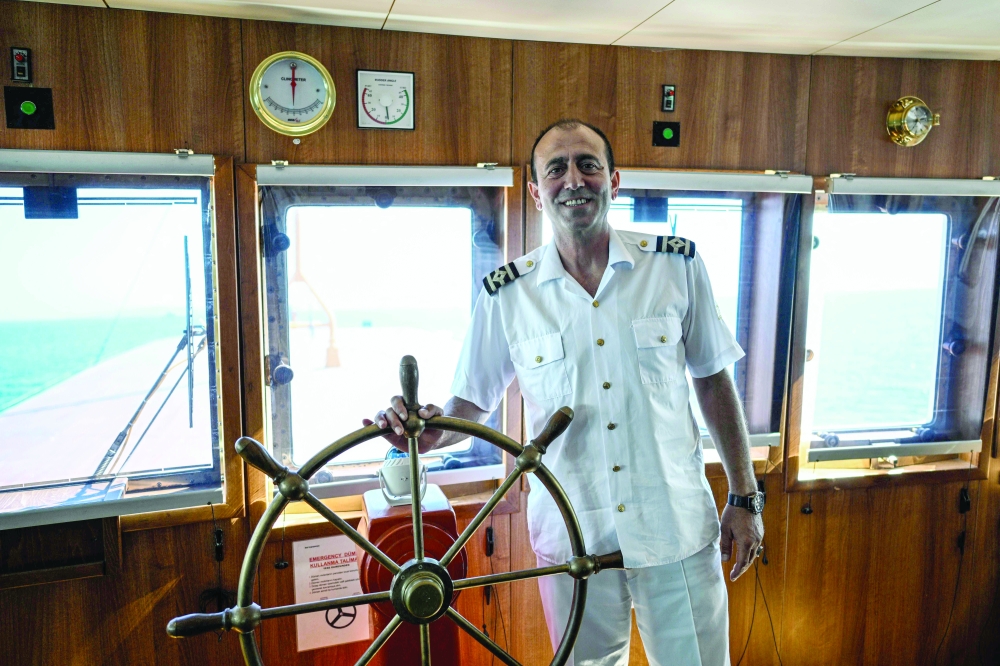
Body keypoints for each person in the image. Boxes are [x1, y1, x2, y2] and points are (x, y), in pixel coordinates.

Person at [366, 118, 764, 666]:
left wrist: (745, 496)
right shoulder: (506, 293)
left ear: (614, 180)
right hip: (572, 534)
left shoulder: (676, 264)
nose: (573, 179)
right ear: (535, 191)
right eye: (556, 169)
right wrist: (426, 428)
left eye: (588, 165)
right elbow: (469, 405)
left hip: (674, 528)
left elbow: (714, 379)